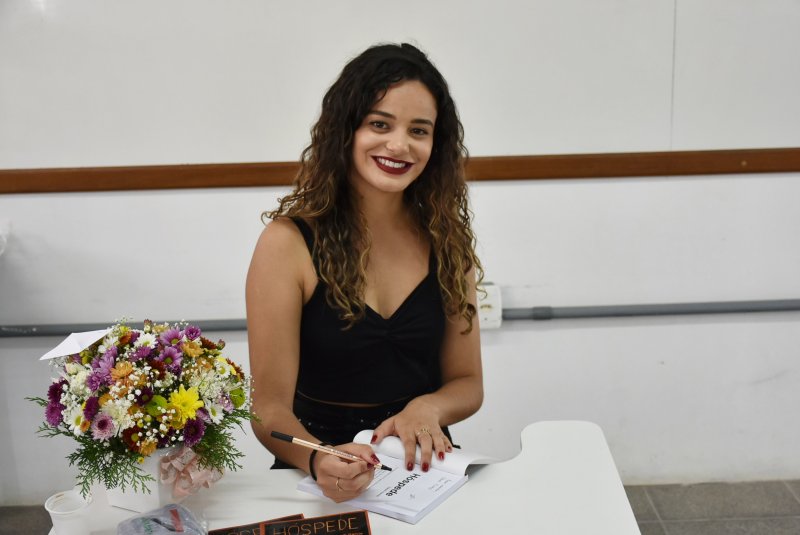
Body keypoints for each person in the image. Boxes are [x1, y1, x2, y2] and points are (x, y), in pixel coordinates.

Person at [246, 42, 483, 503]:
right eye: (379, 124)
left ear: (436, 145)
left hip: (424, 469)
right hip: (314, 471)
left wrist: (428, 407)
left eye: (419, 130)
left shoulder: (448, 242)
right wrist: (318, 459)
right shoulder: (287, 243)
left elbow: (468, 383)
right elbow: (268, 409)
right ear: (345, 130)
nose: (399, 145)